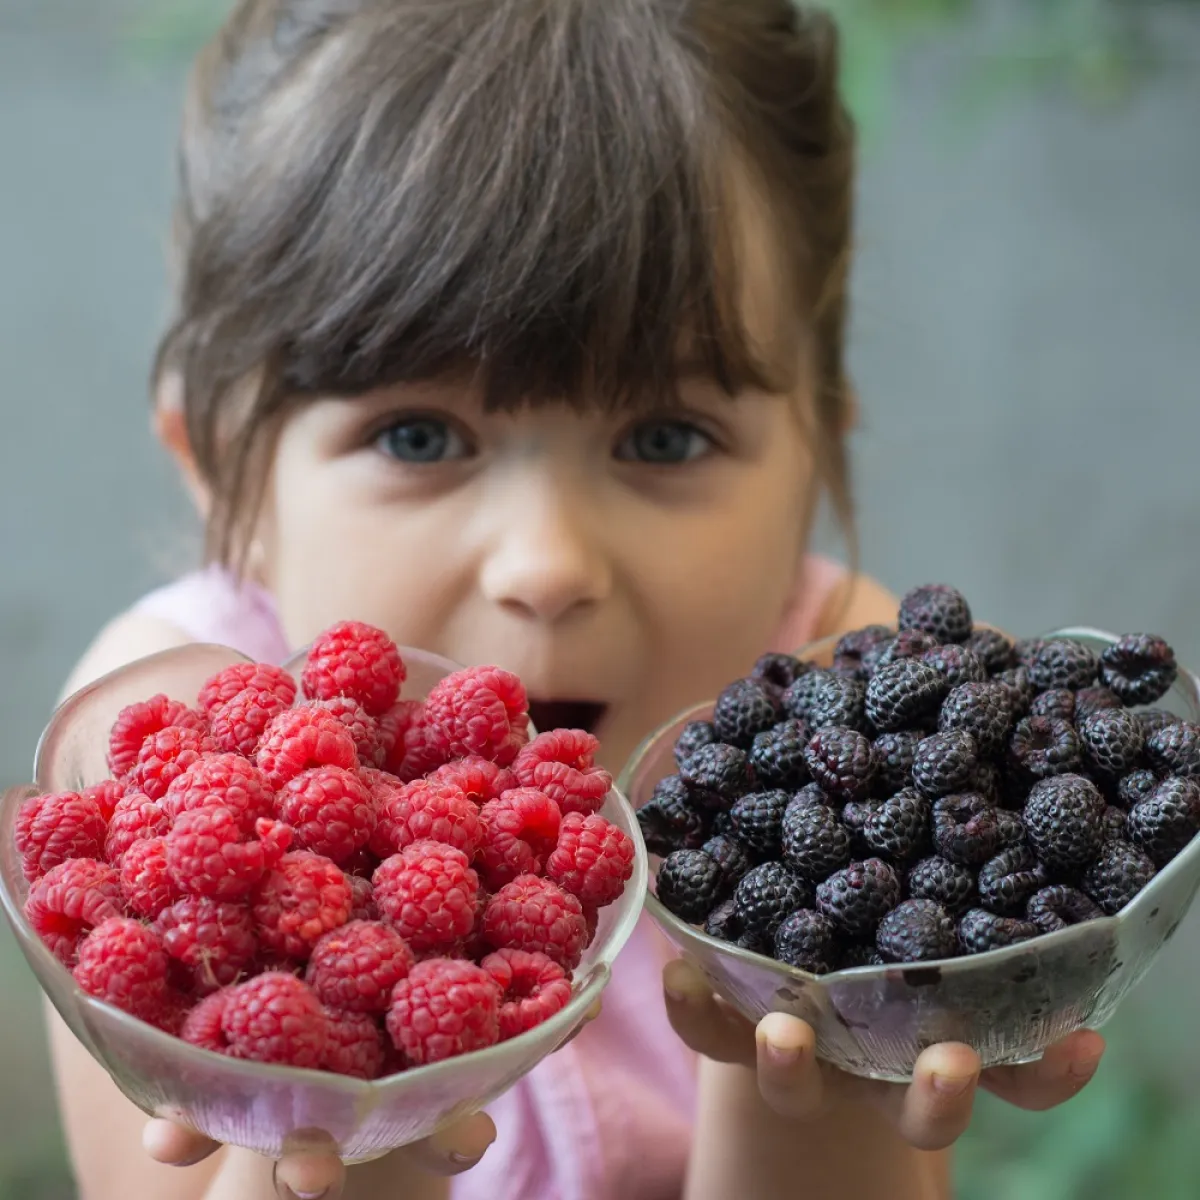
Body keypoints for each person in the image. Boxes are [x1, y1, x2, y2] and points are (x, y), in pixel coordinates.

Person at [49, 2, 1107, 1198]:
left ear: (817, 450)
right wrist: (359, 1105)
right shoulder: (162, 790)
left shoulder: (842, 731)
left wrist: (831, 1053)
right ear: (217, 467)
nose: (548, 565)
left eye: (664, 438)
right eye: (417, 435)